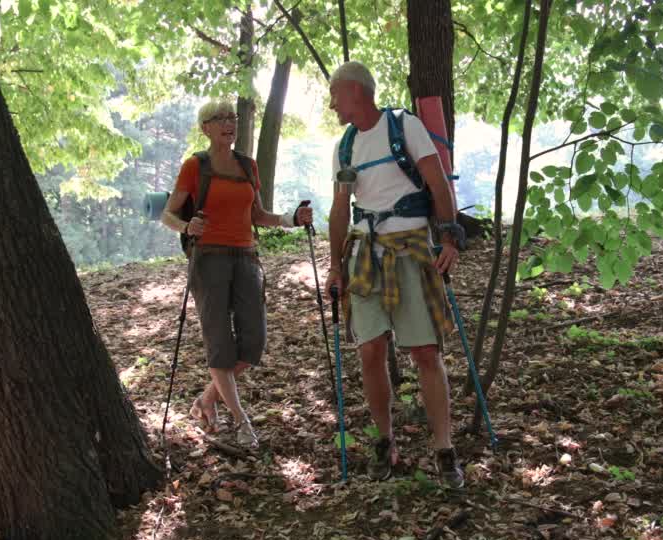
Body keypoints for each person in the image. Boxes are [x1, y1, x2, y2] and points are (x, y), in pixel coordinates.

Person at [325, 62, 465, 488]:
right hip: (365, 253)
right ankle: (383, 441)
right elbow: (339, 207)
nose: (331, 103)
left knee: (424, 351)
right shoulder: (345, 146)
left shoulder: (405, 126)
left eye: (335, 94)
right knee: (370, 351)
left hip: (411, 249)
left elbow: (438, 184)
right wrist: (335, 265)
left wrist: (451, 238)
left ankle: (444, 448)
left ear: (355, 92)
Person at [160, 99, 312, 449]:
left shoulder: (248, 166)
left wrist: (291, 218)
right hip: (208, 258)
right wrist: (187, 226)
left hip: (246, 257)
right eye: (220, 119)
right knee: (220, 344)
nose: (229, 123)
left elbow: (257, 215)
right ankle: (242, 422)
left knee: (253, 342)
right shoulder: (194, 166)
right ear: (206, 128)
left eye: (233, 118)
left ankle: (206, 400)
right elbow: (168, 215)